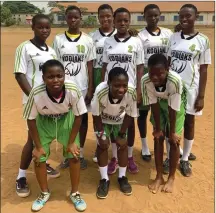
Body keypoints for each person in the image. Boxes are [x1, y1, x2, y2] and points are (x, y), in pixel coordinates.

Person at [24, 59, 87, 212]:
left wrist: (72, 142)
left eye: (59, 76)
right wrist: (38, 146)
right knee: (39, 158)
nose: (56, 80)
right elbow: (31, 119)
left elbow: (79, 116)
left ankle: (75, 193)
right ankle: (44, 192)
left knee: (74, 155)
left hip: (66, 119)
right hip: (44, 122)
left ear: (64, 76)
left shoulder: (72, 89)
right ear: (43, 78)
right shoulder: (36, 92)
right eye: (51, 77)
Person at [14, 14, 59, 198]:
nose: (44, 30)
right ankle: (21, 176)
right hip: (32, 101)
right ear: (33, 27)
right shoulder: (24, 48)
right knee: (32, 139)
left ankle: (43, 162)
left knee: (46, 137)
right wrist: (34, 97)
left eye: (47, 27)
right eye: (40, 27)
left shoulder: (52, 51)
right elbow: (19, 74)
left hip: (48, 101)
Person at [167, 4, 211, 177]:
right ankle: (170, 156)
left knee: (189, 123)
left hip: (191, 89)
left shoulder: (203, 40)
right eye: (181, 16)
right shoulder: (173, 38)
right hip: (173, 88)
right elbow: (168, 62)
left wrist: (201, 96)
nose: (184, 19)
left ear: (196, 17)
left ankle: (184, 159)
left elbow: (204, 69)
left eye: (188, 16)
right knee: (170, 123)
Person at [101, 7, 144, 174]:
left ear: (130, 21)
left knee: (129, 124)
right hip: (111, 90)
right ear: (114, 20)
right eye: (119, 20)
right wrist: (103, 87)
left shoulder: (136, 42)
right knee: (112, 122)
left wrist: (139, 89)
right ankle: (114, 157)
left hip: (130, 89)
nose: (122, 23)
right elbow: (105, 65)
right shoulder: (108, 42)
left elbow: (140, 68)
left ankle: (130, 156)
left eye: (126, 20)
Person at [53, 5, 96, 169]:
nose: (73, 20)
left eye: (76, 17)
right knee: (65, 121)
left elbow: (90, 66)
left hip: (82, 87)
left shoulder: (87, 40)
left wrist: (90, 88)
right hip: (63, 88)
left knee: (83, 119)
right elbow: (55, 64)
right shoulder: (58, 40)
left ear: (80, 18)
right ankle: (67, 154)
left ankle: (82, 152)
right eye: (70, 17)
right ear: (66, 19)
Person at [142, 53, 186, 193]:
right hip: (159, 104)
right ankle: (159, 176)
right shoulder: (146, 81)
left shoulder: (174, 81)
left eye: (159, 74)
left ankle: (171, 177)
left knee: (174, 141)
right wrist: (158, 129)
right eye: (151, 73)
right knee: (158, 137)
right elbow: (153, 105)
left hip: (175, 106)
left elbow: (173, 110)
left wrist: (172, 132)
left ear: (167, 69)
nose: (155, 77)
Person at [92, 67, 138, 198]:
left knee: (122, 146)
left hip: (120, 119)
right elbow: (95, 115)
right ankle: (104, 179)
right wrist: (101, 135)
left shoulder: (132, 92)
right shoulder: (100, 92)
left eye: (124, 85)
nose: (121, 89)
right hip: (103, 120)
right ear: (109, 83)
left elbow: (130, 114)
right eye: (117, 85)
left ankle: (122, 177)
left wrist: (122, 134)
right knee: (102, 146)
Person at [138, 4, 174, 163]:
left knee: (165, 112)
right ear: (144, 16)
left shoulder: (168, 33)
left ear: (159, 15)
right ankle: (145, 146)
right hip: (147, 75)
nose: (153, 18)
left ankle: (170, 146)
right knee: (144, 112)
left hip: (164, 76)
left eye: (155, 15)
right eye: (149, 15)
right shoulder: (139, 36)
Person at [89, 4, 117, 163]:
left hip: (115, 76)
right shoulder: (92, 37)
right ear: (98, 17)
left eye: (108, 16)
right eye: (102, 16)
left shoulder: (119, 34)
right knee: (99, 113)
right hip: (98, 73)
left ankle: (114, 148)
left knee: (114, 111)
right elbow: (91, 61)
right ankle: (100, 144)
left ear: (113, 16)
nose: (105, 19)